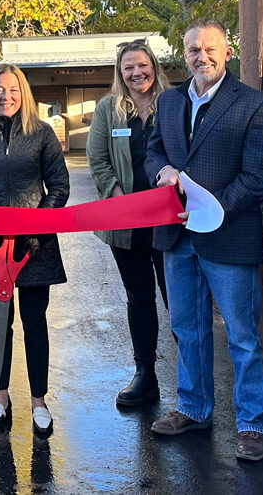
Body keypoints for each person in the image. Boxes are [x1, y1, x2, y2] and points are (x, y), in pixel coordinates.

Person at [145, 18, 263, 461]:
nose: (200, 57)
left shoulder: (255, 106)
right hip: (176, 236)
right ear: (182, 55)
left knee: (242, 335)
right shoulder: (167, 102)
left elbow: (258, 177)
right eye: (192, 50)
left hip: (228, 234)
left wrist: (213, 209)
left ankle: (252, 425)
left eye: (209, 49)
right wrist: (160, 170)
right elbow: (153, 151)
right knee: (188, 329)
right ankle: (193, 408)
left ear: (226, 52)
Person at [0, 64, 70, 435]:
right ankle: (1, 397)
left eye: (13, 90)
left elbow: (58, 185)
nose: (6, 97)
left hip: (35, 245)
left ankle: (39, 400)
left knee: (35, 323)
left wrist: (38, 226)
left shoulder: (42, 134)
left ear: (24, 94)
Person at [86, 39, 169, 406]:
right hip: (127, 223)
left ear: (153, 65)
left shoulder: (174, 103)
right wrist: (116, 195)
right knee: (139, 298)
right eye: (128, 68)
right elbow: (97, 158)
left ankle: (194, 383)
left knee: (179, 301)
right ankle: (145, 375)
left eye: (142, 65)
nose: (136, 73)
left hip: (170, 222)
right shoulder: (109, 109)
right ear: (120, 74)